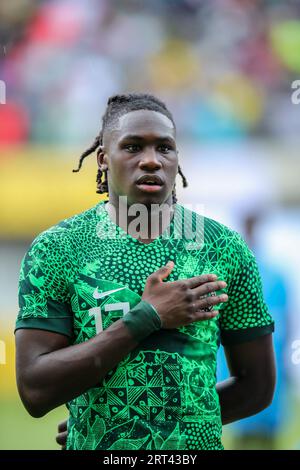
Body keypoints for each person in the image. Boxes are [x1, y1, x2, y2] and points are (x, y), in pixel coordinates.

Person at [15, 93, 275, 451]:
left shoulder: (224, 248)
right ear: (104, 159)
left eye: (164, 149)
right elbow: (34, 389)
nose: (151, 161)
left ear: (177, 159)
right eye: (133, 147)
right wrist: (146, 317)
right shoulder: (58, 249)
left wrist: (133, 423)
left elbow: (256, 387)